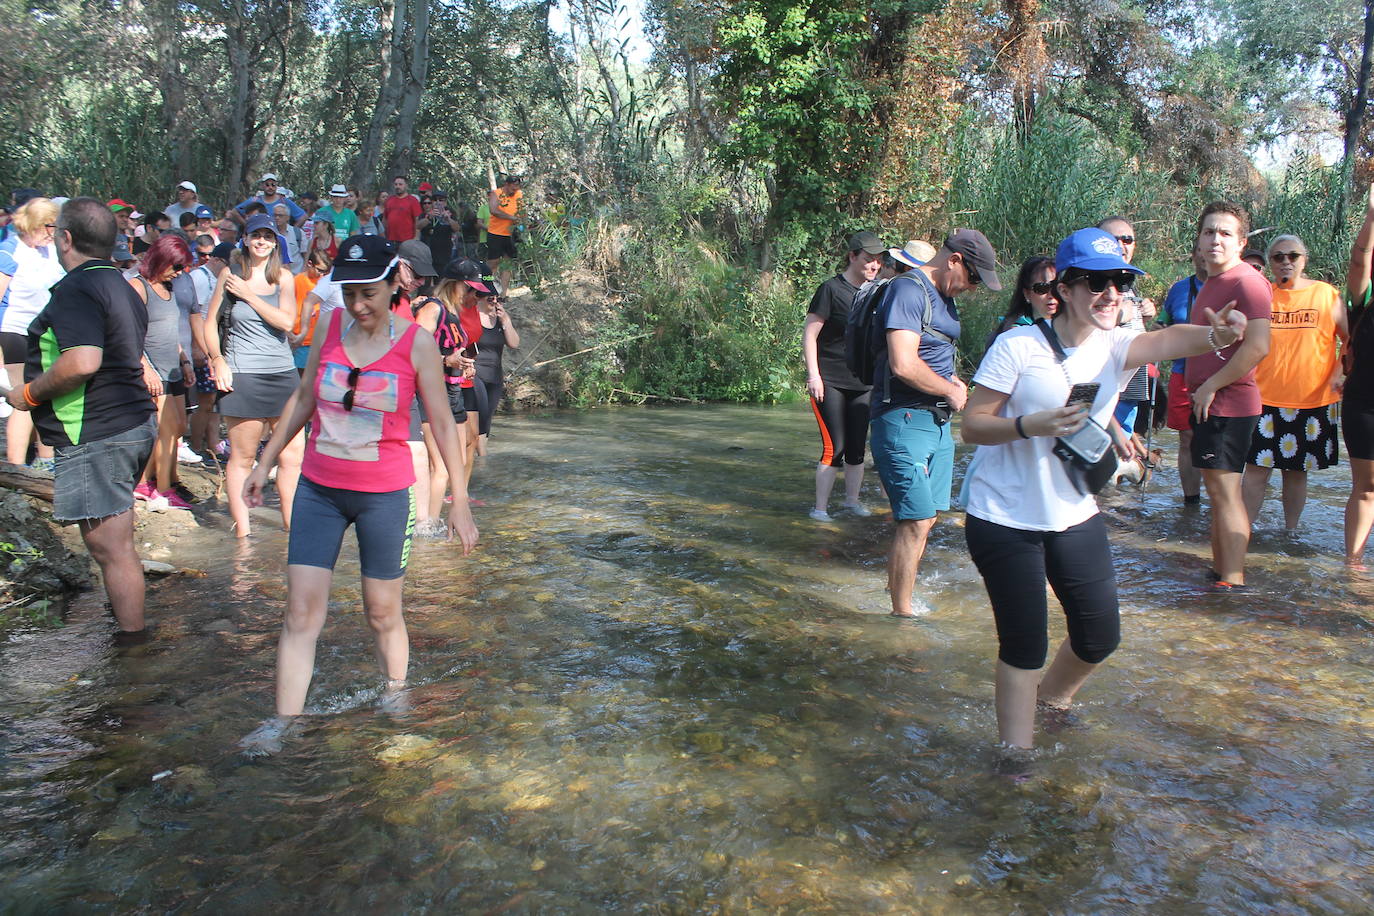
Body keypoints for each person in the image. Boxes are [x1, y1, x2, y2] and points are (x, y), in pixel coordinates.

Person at [962, 227, 1248, 750]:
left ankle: (1052, 702)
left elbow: (1168, 339)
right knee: (1025, 644)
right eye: (1097, 283)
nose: (1111, 293)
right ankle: (1015, 760)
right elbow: (974, 425)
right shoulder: (1018, 345)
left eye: (1120, 281)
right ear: (1065, 289)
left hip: (1072, 513)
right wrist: (1032, 425)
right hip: (1003, 517)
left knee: (1099, 636)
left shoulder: (1117, 345)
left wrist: (1219, 337)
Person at [241, 234, 478, 723]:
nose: (357, 304)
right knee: (301, 614)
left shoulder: (417, 344)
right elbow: (303, 399)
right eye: (349, 292)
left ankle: (395, 697)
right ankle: (283, 724)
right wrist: (265, 463)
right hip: (318, 491)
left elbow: (440, 422)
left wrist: (460, 498)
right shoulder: (328, 326)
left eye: (368, 292)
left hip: (384, 496)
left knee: (381, 613)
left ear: (393, 283)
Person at [3, 198, 158, 640]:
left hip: (100, 430)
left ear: (65, 238)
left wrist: (29, 394)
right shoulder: (125, 286)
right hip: (130, 423)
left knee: (110, 549)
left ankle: (131, 645)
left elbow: (83, 361)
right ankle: (129, 631)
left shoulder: (77, 288)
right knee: (118, 545)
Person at [870, 229, 998, 617]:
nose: (973, 289)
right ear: (954, 259)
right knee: (917, 517)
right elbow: (903, 363)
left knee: (924, 520)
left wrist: (952, 384)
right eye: (973, 278)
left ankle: (898, 595)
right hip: (903, 418)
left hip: (936, 420)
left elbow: (932, 352)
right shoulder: (909, 290)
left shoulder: (942, 296)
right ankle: (902, 614)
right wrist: (950, 390)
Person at [1185, 201, 1272, 590]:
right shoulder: (1212, 283)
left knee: (1225, 493)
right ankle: (1220, 570)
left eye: (1224, 233)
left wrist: (1210, 386)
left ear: (1240, 242)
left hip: (1227, 401)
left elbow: (1257, 347)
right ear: (1199, 242)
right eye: (1209, 232)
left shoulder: (1246, 282)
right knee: (1218, 491)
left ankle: (1232, 579)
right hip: (1210, 400)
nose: (1215, 239)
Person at [203, 212, 303, 537]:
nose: (262, 241)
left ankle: (293, 529)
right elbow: (209, 324)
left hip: (283, 375)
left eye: (268, 236)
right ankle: (244, 536)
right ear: (245, 239)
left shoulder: (283, 278)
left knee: (291, 457)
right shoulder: (229, 275)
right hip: (243, 374)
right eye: (256, 235)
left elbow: (287, 323)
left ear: (275, 242)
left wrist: (250, 295)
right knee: (243, 458)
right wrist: (217, 358)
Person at [1241, 234, 1345, 533]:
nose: (1286, 262)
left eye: (1293, 256)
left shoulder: (1327, 295)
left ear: (1304, 259)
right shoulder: (1263, 295)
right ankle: (1241, 532)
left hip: (1311, 400)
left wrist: (1340, 370)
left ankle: (1291, 532)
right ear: (1270, 262)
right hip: (1261, 398)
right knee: (1256, 470)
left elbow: (1352, 340)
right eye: (1278, 256)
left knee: (1296, 473)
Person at [801, 231, 883, 521]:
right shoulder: (830, 290)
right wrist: (814, 376)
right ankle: (819, 509)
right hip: (830, 379)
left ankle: (851, 502)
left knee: (858, 447)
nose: (874, 266)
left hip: (864, 383)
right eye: (868, 260)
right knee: (834, 447)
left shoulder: (878, 292)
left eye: (878, 261)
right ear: (852, 256)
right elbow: (810, 335)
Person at [128, 234, 194, 510]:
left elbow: (170, 332)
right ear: (161, 259)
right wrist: (145, 369)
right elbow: (128, 333)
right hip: (154, 372)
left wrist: (185, 361)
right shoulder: (138, 287)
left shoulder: (169, 288)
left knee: (177, 428)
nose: (179, 274)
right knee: (165, 432)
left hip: (173, 370)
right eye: (176, 267)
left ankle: (154, 480)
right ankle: (161, 489)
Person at [1, 198, 64, 467]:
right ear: (37, 224)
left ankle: (45, 458)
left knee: (45, 394)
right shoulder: (9, 251)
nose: (53, 233)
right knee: (22, 397)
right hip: (14, 331)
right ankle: (16, 466)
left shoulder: (47, 250)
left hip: (44, 332)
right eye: (50, 227)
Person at [1160, 246, 1209, 504]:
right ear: (1193, 256)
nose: (1205, 256)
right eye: (1199, 251)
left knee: (1217, 440)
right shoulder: (1179, 289)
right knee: (1187, 438)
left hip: (1219, 374)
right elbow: (1162, 323)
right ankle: (1191, 501)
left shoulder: (1232, 286)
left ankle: (1223, 502)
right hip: (1183, 373)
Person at [1343, 187, 1374, 569]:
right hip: (1365, 404)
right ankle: (1353, 564)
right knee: (1366, 489)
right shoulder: (1364, 299)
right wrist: (1370, 219)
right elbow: (1359, 259)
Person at [475, 285, 520, 448]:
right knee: (480, 413)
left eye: (498, 299)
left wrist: (506, 320)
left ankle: (481, 458)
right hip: (476, 373)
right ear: (479, 298)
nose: (495, 302)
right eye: (490, 299)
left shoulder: (500, 320)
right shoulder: (472, 316)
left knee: (487, 417)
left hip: (495, 375)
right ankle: (477, 456)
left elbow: (514, 343)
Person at [986, 256, 1056, 346]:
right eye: (1042, 288)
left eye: (1056, 287)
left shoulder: (1074, 334)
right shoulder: (1012, 338)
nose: (1051, 295)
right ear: (1027, 294)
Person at [486, 175, 522, 294]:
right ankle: (486, 288)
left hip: (510, 234)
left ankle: (504, 293)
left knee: (508, 263)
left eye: (517, 188)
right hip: (496, 233)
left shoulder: (519, 194)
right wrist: (511, 217)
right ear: (506, 184)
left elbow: (521, 209)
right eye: (513, 188)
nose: (515, 190)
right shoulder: (496, 193)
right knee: (493, 263)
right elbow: (494, 210)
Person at [233, 173, 304, 226]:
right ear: (262, 186)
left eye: (273, 185)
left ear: (276, 186)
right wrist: (246, 225)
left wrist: (293, 231)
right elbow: (235, 212)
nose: (270, 187)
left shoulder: (284, 201)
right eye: (267, 184)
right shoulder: (254, 200)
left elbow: (303, 216)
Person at [418, 193, 455, 274]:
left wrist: (448, 219)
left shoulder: (450, 213)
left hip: (443, 252)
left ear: (445, 202)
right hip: (426, 251)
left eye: (441, 200)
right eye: (435, 200)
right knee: (426, 279)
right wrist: (428, 218)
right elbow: (418, 226)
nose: (437, 202)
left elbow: (457, 228)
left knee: (441, 278)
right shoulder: (426, 214)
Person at [383, 177, 422, 243]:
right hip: (390, 239)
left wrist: (416, 237)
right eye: (396, 184)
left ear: (406, 185)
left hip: (407, 240)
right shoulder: (389, 200)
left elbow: (417, 220)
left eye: (400, 184)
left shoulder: (413, 200)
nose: (398, 186)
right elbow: (385, 219)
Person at [274, 202, 306, 274]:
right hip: (276, 276)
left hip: (297, 275)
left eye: (280, 215)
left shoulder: (298, 233)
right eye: (275, 215)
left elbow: (305, 254)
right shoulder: (269, 234)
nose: (277, 218)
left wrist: (304, 269)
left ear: (287, 217)